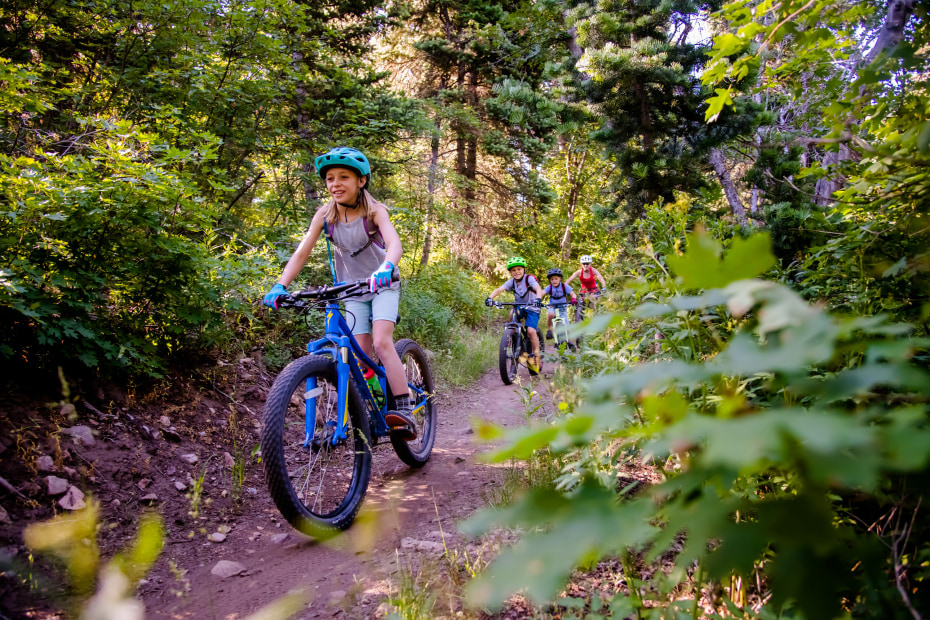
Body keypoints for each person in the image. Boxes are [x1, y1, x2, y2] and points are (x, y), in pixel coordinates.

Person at [262, 146, 417, 439]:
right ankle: (374, 405)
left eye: (344, 177)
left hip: (383, 284)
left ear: (361, 181)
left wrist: (386, 268)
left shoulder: (374, 211)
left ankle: (404, 408)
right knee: (360, 356)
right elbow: (301, 252)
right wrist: (281, 285)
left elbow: (394, 244)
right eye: (330, 178)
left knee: (383, 343)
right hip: (352, 291)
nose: (335, 184)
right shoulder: (325, 215)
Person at [485, 257, 545, 369]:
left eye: (519, 269)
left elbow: (537, 288)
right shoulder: (511, 282)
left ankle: (537, 356)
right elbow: (499, 289)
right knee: (512, 312)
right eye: (513, 270)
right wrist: (490, 298)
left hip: (533, 307)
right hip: (520, 306)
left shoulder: (529, 279)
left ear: (524, 269)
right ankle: (512, 335)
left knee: (531, 331)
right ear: (510, 272)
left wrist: (538, 298)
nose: (517, 272)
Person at [542, 268, 576, 340]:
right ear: (550, 280)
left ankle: (570, 342)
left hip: (562, 307)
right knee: (551, 314)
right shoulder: (549, 287)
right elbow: (542, 293)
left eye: (556, 279)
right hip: (552, 305)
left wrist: (573, 299)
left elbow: (573, 294)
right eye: (552, 279)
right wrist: (538, 299)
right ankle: (550, 330)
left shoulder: (564, 286)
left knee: (567, 327)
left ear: (560, 278)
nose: (554, 281)